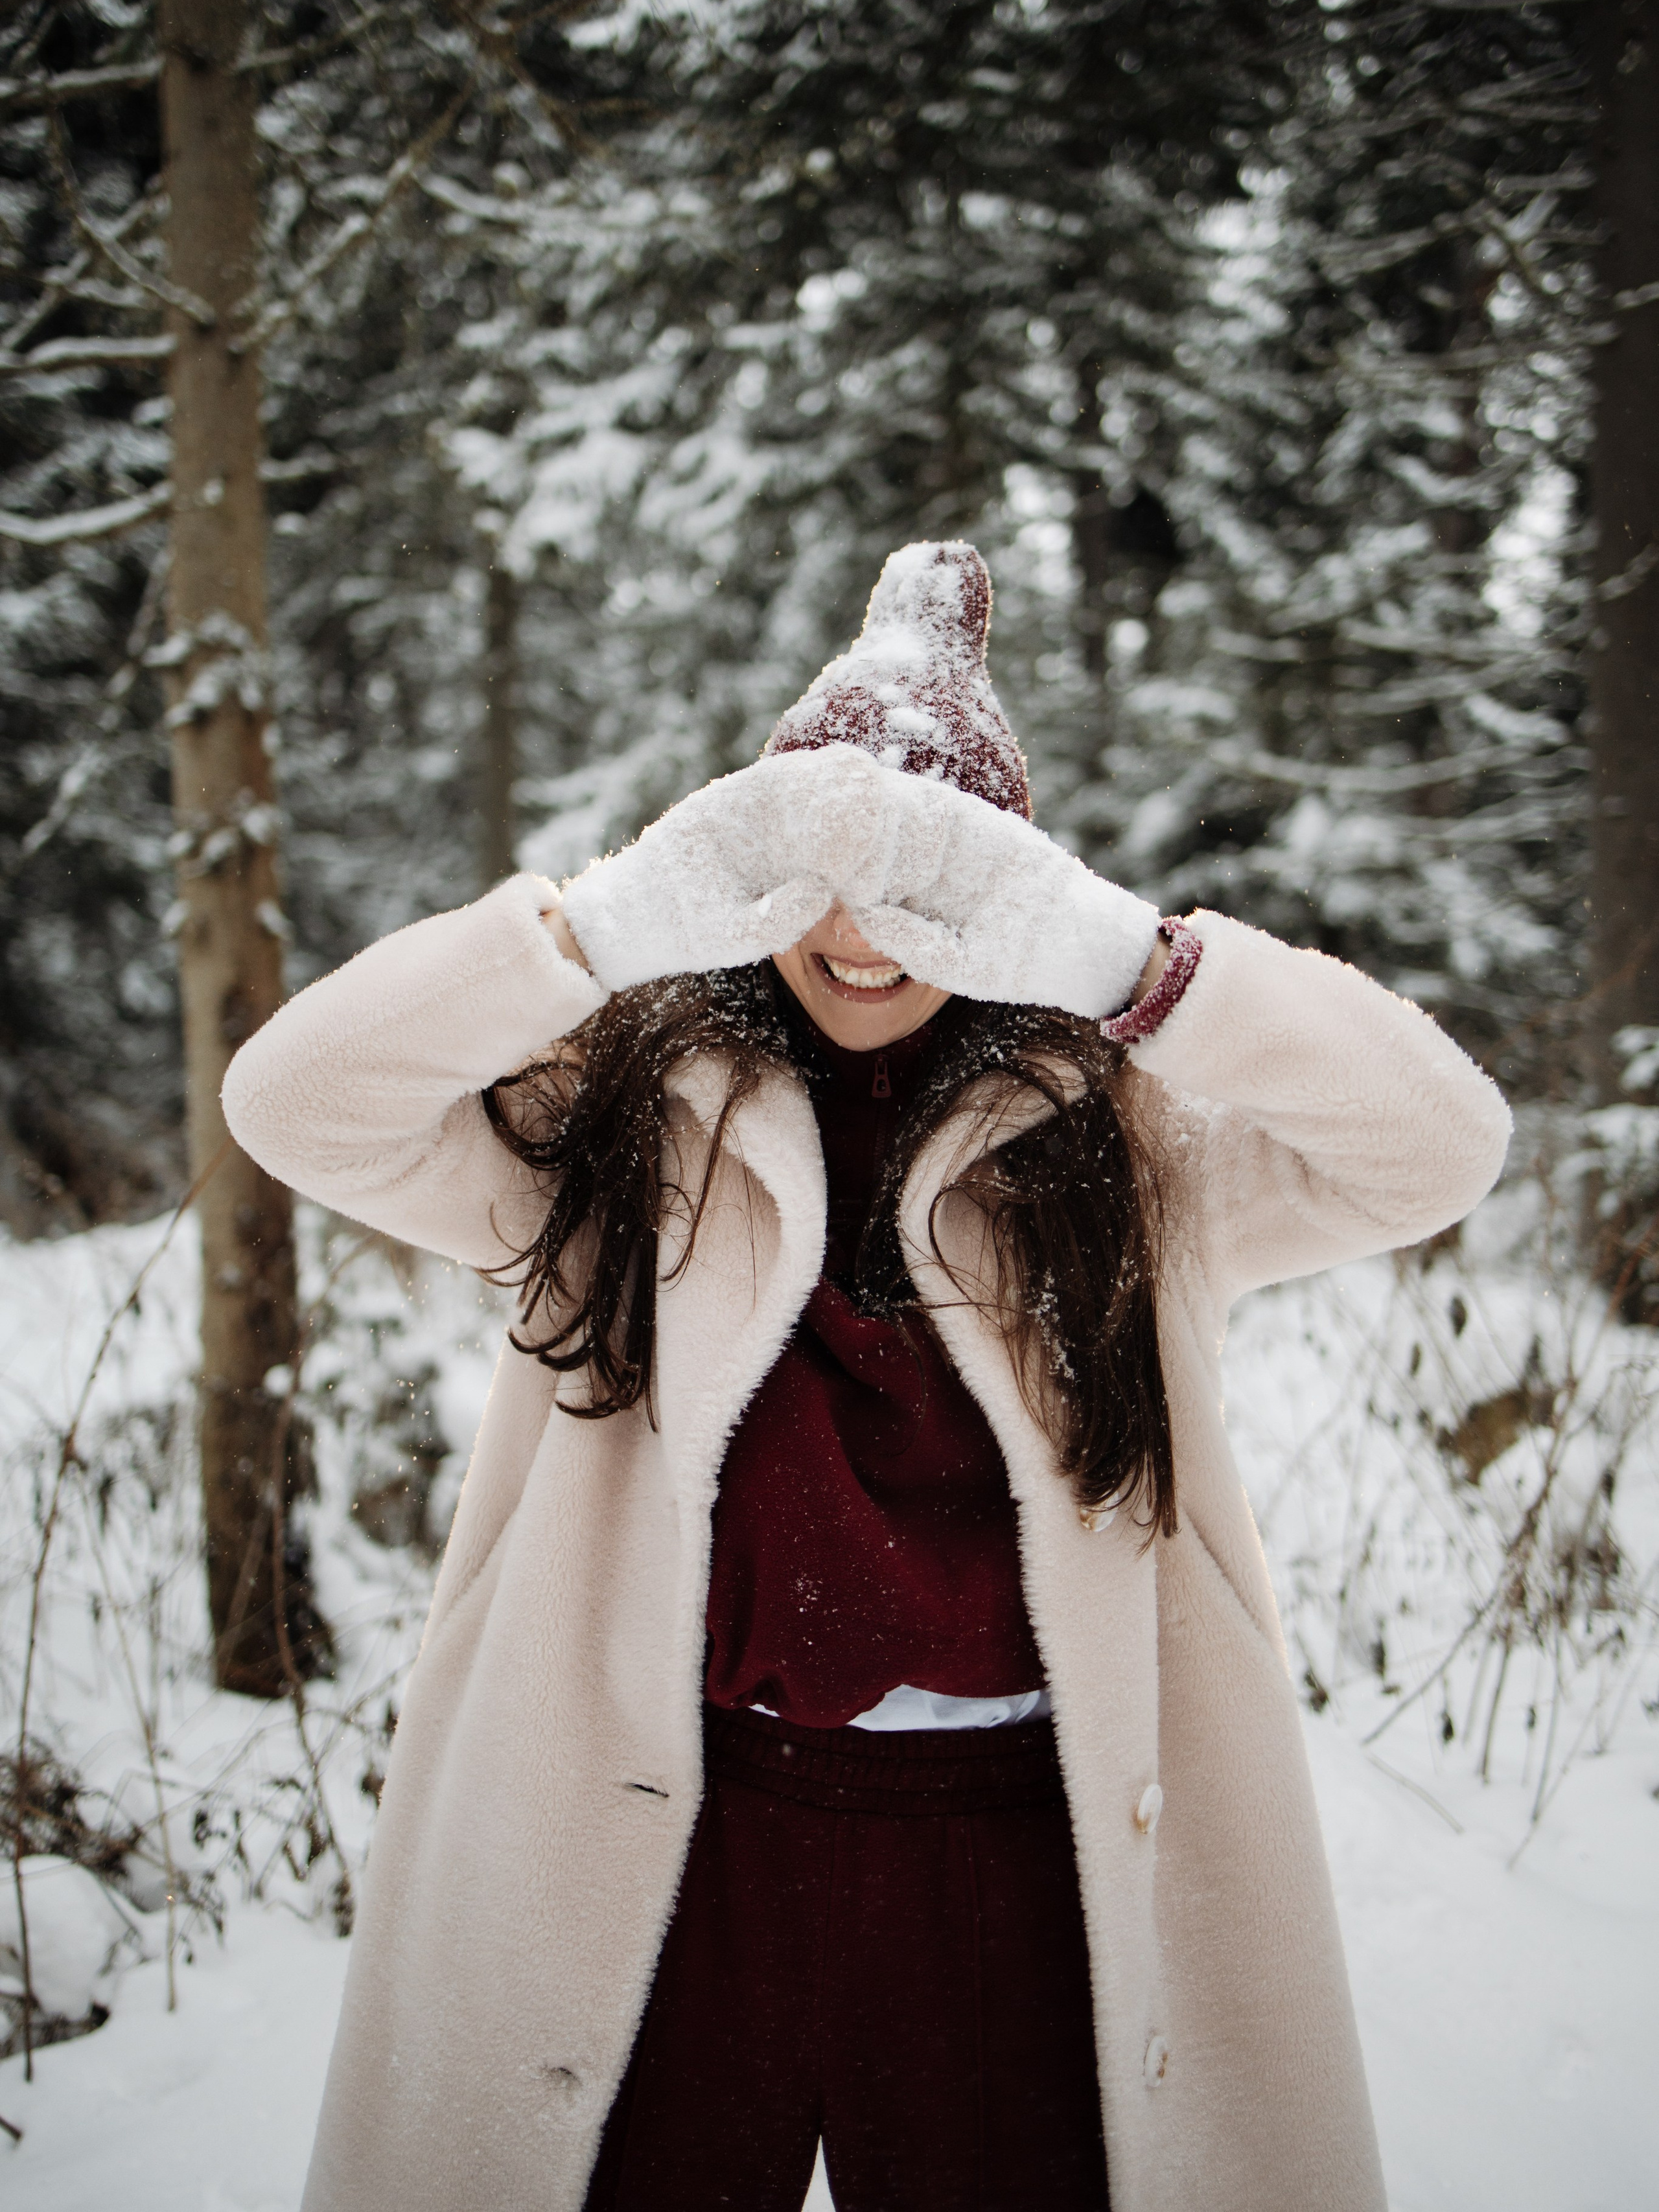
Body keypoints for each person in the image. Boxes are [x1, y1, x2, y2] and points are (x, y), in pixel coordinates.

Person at [224, 540, 1511, 2212]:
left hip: (1017, 1848)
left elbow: (1439, 1147)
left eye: (921, 877)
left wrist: (1133, 966)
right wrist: (598, 926)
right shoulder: (619, 1120)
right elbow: (293, 1103)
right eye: (814, 868)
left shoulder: (1124, 1147)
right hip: (670, 1836)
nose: (858, 926)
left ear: (1000, 891)